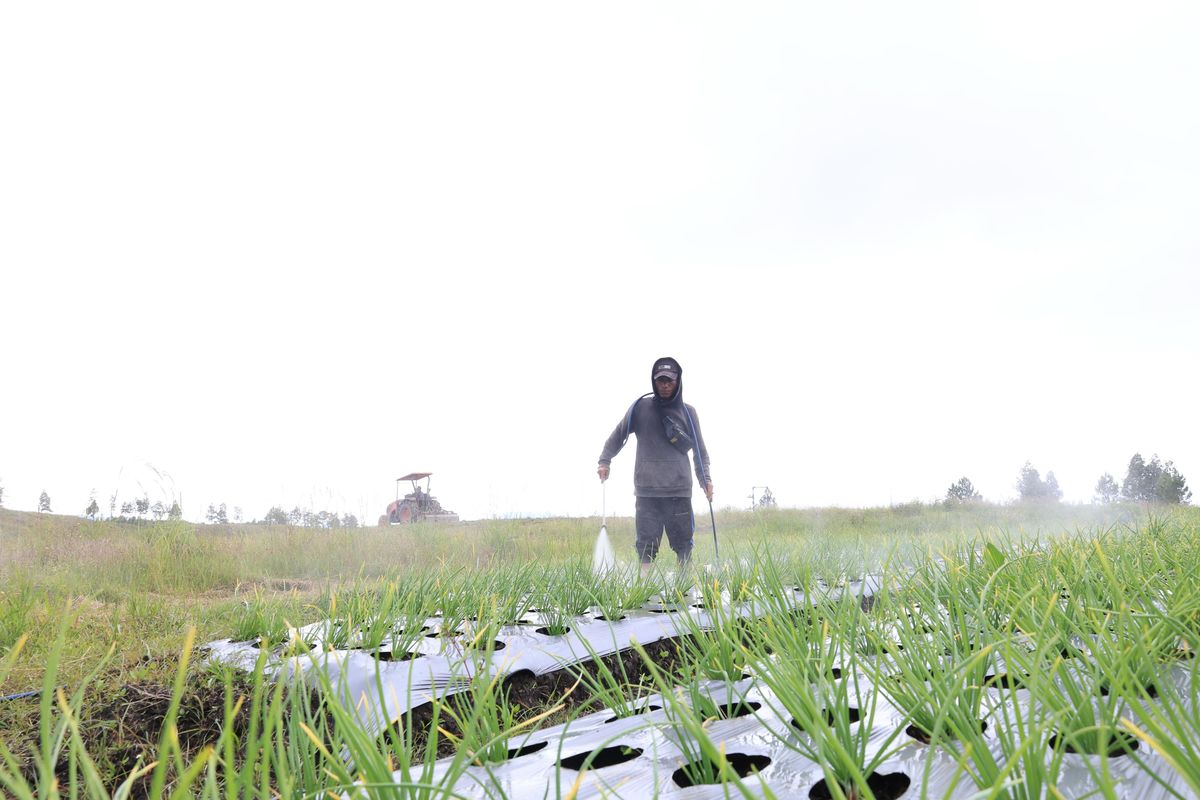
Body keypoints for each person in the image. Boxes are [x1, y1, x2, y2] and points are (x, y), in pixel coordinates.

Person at [597, 356, 713, 576]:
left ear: (678, 381)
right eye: (660, 380)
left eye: (670, 380)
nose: (665, 385)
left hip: (678, 490)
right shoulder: (640, 408)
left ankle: (685, 591)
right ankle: (644, 590)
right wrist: (605, 461)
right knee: (645, 549)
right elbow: (617, 435)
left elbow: (700, 451)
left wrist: (705, 479)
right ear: (654, 381)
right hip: (647, 491)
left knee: (684, 547)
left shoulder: (689, 412)